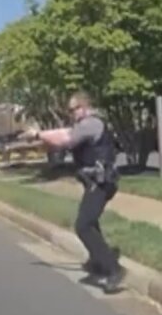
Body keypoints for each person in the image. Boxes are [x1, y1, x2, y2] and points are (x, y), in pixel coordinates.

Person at [23, 91, 125, 293]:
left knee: (83, 225)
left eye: (74, 109)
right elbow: (63, 134)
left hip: (102, 183)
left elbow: (66, 139)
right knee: (90, 222)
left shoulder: (92, 123)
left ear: (84, 107)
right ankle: (98, 261)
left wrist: (37, 134)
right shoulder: (85, 124)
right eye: (69, 110)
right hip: (96, 182)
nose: (71, 113)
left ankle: (113, 270)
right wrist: (37, 139)